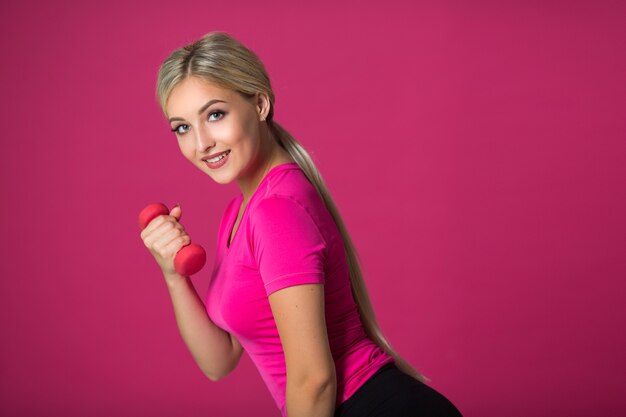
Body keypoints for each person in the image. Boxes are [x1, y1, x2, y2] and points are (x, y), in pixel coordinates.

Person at [140, 31, 463, 417]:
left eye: (215, 115)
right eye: (182, 127)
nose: (201, 142)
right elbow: (219, 360)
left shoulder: (276, 210)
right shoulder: (241, 211)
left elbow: (314, 380)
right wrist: (174, 275)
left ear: (259, 104)